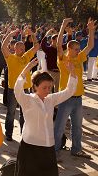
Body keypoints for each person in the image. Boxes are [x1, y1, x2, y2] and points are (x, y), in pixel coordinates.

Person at [14, 58, 78, 176]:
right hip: (30, 146)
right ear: (35, 87)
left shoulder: (51, 99)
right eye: (44, 87)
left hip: (48, 146)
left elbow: (69, 91)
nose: (48, 90)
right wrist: (26, 69)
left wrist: (72, 72)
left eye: (50, 87)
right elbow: (17, 89)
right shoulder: (27, 100)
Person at [54, 18, 96, 159]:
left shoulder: (79, 58)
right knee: (59, 128)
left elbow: (90, 45)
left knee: (77, 127)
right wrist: (63, 25)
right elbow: (59, 45)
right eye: (76, 49)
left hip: (78, 99)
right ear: (69, 49)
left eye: (79, 49)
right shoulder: (63, 59)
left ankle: (76, 149)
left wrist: (91, 30)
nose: (79, 51)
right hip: (65, 99)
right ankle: (54, 152)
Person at [1, 30, 40, 141]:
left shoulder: (26, 56)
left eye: (24, 48)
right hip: (13, 89)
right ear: (15, 48)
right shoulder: (10, 58)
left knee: (25, 113)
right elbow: (3, 48)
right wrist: (9, 35)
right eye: (21, 48)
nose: (23, 50)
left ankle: (24, 133)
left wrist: (33, 34)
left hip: (25, 89)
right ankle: (9, 133)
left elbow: (36, 46)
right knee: (11, 113)